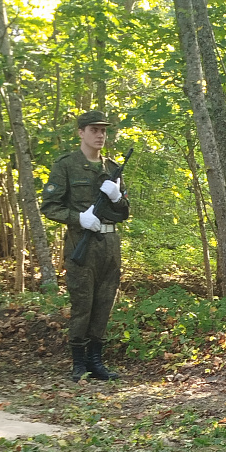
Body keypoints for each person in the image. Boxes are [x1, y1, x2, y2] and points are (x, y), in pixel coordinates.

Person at [41, 110, 129, 382]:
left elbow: (124, 212)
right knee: (83, 303)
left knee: (105, 302)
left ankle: (96, 361)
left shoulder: (112, 168)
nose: (100, 135)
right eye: (94, 130)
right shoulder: (66, 165)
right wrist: (78, 218)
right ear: (81, 132)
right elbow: (50, 206)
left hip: (109, 244)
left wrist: (116, 197)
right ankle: (79, 363)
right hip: (81, 242)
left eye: (103, 130)